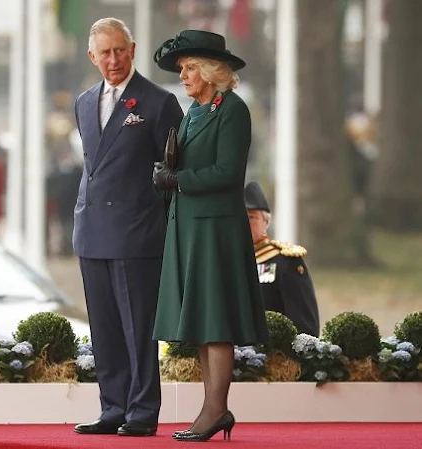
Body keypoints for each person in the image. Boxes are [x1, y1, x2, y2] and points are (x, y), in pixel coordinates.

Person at [152, 30, 268, 442]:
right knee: (202, 320)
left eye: (187, 68)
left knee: (215, 319)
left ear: (208, 70)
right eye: (182, 69)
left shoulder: (232, 109)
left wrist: (177, 179)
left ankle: (215, 410)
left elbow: (228, 173)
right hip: (189, 226)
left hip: (215, 228)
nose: (182, 76)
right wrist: (165, 173)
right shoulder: (196, 111)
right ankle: (213, 409)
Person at [72, 18, 183, 437]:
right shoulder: (84, 102)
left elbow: (172, 173)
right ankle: (112, 407)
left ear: (133, 49)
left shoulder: (158, 103)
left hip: (137, 234)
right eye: (105, 52)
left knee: (138, 328)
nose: (114, 60)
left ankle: (141, 411)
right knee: (104, 328)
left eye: (120, 50)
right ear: (93, 56)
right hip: (92, 230)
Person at [245, 181, 320, 336]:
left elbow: (304, 325)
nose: (244, 222)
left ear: (266, 222)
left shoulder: (285, 261)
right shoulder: (225, 262)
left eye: (251, 217)